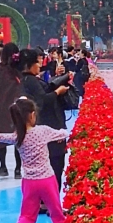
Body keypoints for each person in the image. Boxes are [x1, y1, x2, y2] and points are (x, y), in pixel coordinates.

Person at [2, 95, 67, 223]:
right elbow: (63, 133)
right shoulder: (42, 131)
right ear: (31, 115)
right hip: (47, 180)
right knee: (56, 214)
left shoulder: (17, 136)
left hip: (29, 183)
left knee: (27, 216)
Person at [19, 56, 75, 188]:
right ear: (29, 65)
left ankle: (47, 202)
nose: (40, 65)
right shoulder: (30, 81)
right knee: (55, 165)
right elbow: (43, 100)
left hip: (49, 126)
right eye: (37, 62)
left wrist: (58, 77)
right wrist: (58, 91)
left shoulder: (30, 80)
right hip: (50, 126)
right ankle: (49, 202)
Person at [0, 43, 37, 176]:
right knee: (19, 135)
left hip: (0, 108)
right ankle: (18, 169)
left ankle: (3, 167)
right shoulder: (21, 70)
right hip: (19, 107)